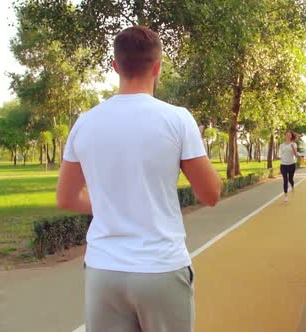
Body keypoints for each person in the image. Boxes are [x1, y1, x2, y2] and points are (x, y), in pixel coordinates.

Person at [55, 25, 222, 332]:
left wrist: (110, 204)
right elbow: (210, 194)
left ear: (115, 66)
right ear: (157, 67)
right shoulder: (177, 119)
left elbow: (66, 198)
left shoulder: (85, 122)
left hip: (104, 270)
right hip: (160, 267)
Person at [279, 131, 300, 202]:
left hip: (291, 164)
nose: (287, 136)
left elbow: (296, 155)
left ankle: (292, 185)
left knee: (290, 179)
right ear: (285, 136)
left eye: (289, 135)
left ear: (291, 136)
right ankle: (285, 196)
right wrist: (280, 157)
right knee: (285, 180)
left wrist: (293, 148)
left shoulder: (294, 144)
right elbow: (281, 154)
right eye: (286, 135)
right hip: (283, 165)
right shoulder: (281, 145)